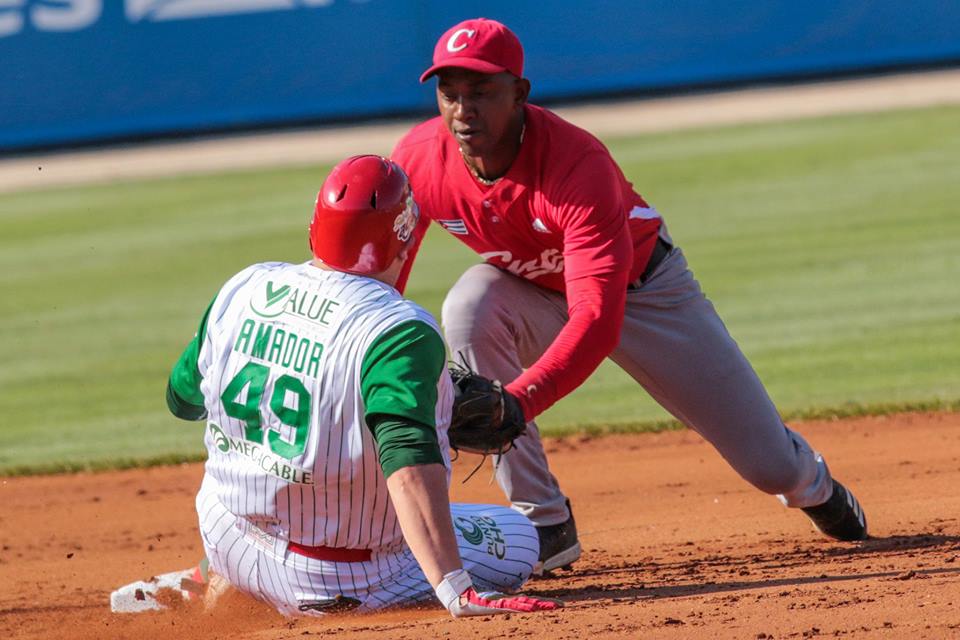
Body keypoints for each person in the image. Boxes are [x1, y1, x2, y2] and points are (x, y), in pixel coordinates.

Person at [391, 18, 868, 575]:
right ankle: (545, 523)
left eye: (482, 92)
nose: (462, 110)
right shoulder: (420, 159)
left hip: (646, 292)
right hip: (533, 291)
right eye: (449, 93)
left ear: (520, 94)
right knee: (471, 304)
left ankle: (813, 485)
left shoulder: (574, 162)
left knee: (770, 467)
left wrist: (518, 403)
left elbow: (597, 316)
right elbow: (387, 277)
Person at [119, 155, 560, 617]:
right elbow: (407, 462)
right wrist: (455, 588)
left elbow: (182, 399)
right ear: (405, 243)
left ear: (314, 230)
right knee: (519, 538)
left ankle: (222, 577)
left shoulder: (245, 286)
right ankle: (295, 594)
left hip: (227, 536)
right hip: (337, 580)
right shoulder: (399, 331)